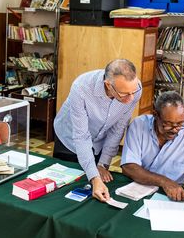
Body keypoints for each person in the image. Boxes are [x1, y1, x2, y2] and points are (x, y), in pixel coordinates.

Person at [53, 59, 142, 202]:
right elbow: (81, 136)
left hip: (98, 142)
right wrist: (95, 178)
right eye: (124, 94)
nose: (131, 99)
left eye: (133, 92)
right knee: (64, 189)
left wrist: (102, 164)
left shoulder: (134, 89)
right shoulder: (81, 87)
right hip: (69, 139)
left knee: (91, 190)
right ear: (108, 85)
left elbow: (118, 128)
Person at [121, 91, 184, 207]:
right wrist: (164, 181)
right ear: (155, 115)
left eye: (180, 123)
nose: (175, 129)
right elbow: (129, 167)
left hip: (169, 198)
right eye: (168, 124)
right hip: (135, 189)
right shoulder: (138, 125)